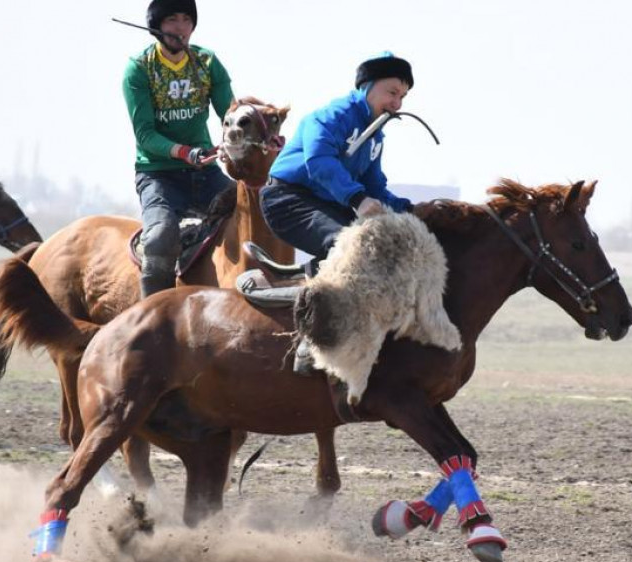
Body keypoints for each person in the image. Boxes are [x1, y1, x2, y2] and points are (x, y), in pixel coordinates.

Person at [259, 52, 416, 372]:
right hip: (287, 199)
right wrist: (357, 199)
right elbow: (318, 163)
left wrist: (413, 210)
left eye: (402, 96)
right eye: (392, 92)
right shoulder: (332, 115)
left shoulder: (375, 138)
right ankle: (309, 338)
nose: (397, 104)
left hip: (328, 203)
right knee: (343, 245)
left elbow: (376, 187)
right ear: (367, 86)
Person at [124, 0, 235, 297]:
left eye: (187, 20)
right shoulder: (138, 69)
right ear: (156, 26)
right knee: (160, 238)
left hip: (206, 174)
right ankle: (152, 317)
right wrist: (185, 152)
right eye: (172, 19)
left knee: (257, 210)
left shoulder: (208, 62)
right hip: (159, 176)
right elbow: (145, 135)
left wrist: (253, 130)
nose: (181, 27)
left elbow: (230, 115)